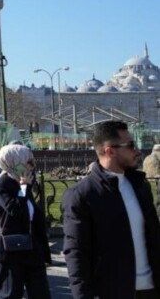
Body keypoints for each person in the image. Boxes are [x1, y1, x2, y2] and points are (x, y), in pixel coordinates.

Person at [63, 120, 160, 298]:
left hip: (151, 290)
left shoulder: (140, 186)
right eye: (130, 145)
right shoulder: (82, 195)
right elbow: (76, 253)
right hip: (113, 292)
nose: (138, 151)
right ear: (109, 151)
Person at [0, 144, 51, 298]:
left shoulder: (26, 180)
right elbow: (14, 210)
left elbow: (32, 214)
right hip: (12, 248)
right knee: (11, 293)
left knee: (41, 292)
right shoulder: (2, 183)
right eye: (28, 161)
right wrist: (23, 188)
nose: (32, 166)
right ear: (13, 162)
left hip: (32, 246)